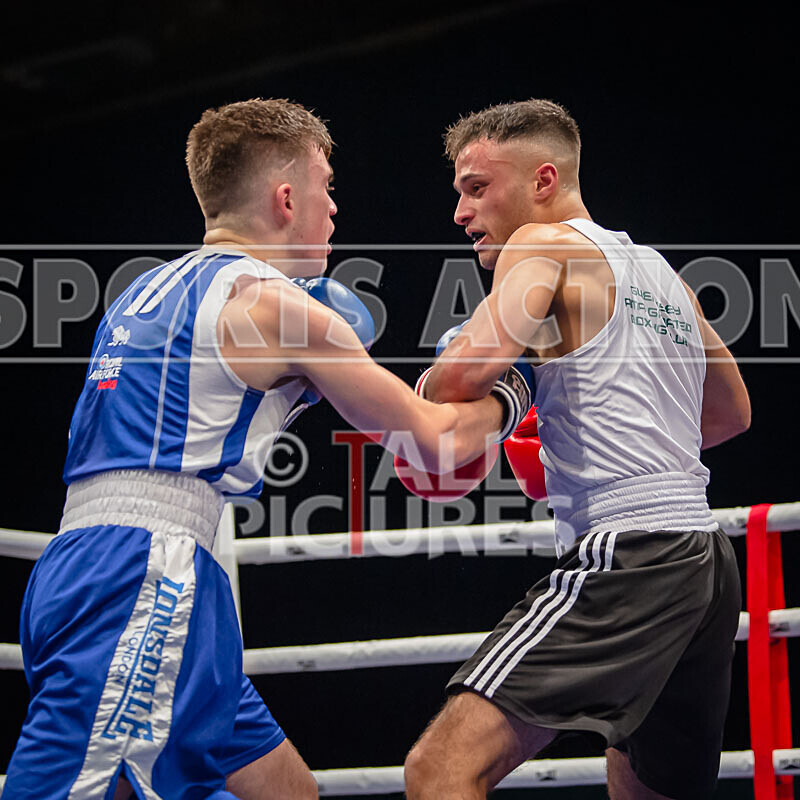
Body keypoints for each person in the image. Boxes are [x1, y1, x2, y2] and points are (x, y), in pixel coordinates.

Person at [4, 98, 533, 800]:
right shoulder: (279, 310)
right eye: (327, 188)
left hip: (84, 566)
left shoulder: (141, 294)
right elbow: (433, 445)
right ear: (287, 198)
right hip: (145, 578)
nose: (335, 209)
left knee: (285, 791)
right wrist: (517, 388)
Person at [403, 99, 750, 800]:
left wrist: (504, 386)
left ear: (543, 181)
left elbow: (464, 376)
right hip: (705, 562)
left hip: (632, 553)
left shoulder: (542, 245)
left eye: (477, 188)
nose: (461, 214)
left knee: (439, 769)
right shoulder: (663, 274)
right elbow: (732, 413)